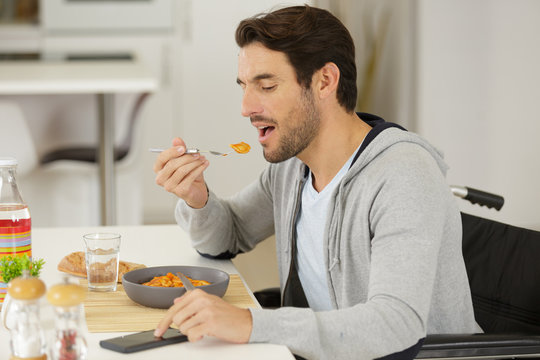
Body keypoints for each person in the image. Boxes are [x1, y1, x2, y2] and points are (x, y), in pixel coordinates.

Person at [152, 5, 479, 359]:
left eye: (266, 85)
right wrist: (197, 199)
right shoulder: (292, 169)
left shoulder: (403, 175)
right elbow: (227, 236)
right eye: (244, 87)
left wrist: (252, 324)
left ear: (325, 81)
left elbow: (396, 323)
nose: (246, 107)